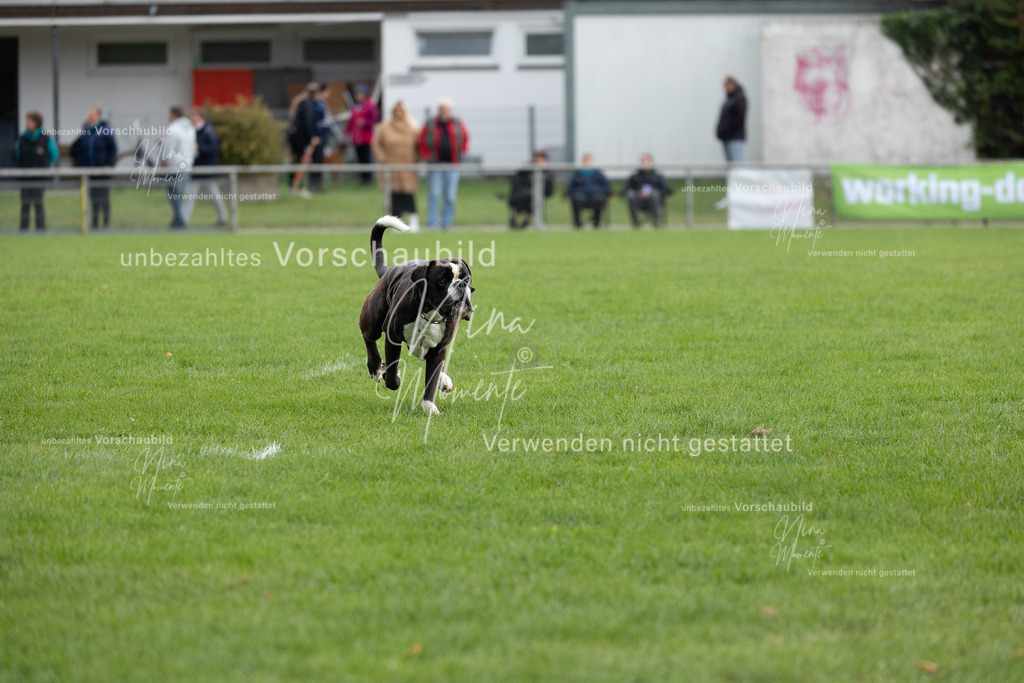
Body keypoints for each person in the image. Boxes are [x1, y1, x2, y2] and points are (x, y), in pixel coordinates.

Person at [418, 98, 469, 231]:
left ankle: (447, 223)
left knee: (450, 196)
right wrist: (427, 155)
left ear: (450, 111)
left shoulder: (457, 123)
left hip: (452, 164)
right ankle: (433, 224)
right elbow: (422, 140)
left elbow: (464, 137)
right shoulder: (431, 124)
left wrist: (462, 151)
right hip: (435, 165)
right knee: (434, 194)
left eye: (446, 109)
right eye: (441, 109)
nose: (443, 112)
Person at [372, 101, 421, 228]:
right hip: (391, 166)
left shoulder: (412, 127)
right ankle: (395, 223)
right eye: (396, 111)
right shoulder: (385, 127)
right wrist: (382, 158)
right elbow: (376, 144)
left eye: (401, 111)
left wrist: (416, 158)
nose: (398, 113)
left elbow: (419, 145)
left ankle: (413, 219)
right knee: (394, 195)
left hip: (407, 166)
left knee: (408, 193)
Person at [70, 107, 117, 230]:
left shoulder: (106, 129)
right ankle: (95, 224)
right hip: (89, 171)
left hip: (102, 171)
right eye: (88, 114)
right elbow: (76, 147)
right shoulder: (86, 130)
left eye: (92, 114)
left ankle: (105, 224)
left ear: (98, 115)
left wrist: (109, 164)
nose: (89, 116)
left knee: (104, 198)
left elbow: (113, 148)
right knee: (93, 200)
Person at [12, 110, 58, 231]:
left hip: (40, 178)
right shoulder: (22, 139)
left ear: (36, 122)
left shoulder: (46, 138)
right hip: (25, 178)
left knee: (38, 203)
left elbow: (54, 155)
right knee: (25, 204)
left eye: (29, 121)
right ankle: (23, 229)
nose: (27, 123)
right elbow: (17, 155)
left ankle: (41, 228)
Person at [184, 107, 227, 227]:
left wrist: (199, 148)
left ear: (200, 118)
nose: (192, 118)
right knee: (189, 196)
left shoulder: (208, 130)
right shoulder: (192, 131)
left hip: (208, 169)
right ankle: (184, 220)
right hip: (196, 169)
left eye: (195, 116)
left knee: (215, 195)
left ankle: (223, 218)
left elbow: (214, 148)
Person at [162, 105, 196, 230]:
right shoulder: (190, 128)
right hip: (187, 166)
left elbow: (168, 148)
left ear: (174, 115)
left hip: (174, 167)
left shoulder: (173, 128)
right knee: (179, 196)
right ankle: (177, 221)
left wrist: (165, 161)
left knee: (174, 196)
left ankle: (181, 221)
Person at [287, 82, 321, 194]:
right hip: (298, 137)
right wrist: (312, 137)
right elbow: (307, 122)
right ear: (316, 93)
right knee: (298, 161)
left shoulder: (303, 101)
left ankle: (294, 185)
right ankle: (295, 186)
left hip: (295, 136)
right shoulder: (308, 104)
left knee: (297, 160)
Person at [507, 150, 554, 230]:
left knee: (535, 204)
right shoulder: (525, 171)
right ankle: (513, 222)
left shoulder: (547, 173)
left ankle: (526, 223)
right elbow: (517, 183)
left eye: (542, 159)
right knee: (519, 205)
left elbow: (549, 189)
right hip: (521, 195)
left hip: (535, 197)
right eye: (538, 158)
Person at [623, 153, 672, 228]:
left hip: (653, 201)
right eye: (643, 161)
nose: (645, 163)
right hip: (638, 200)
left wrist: (651, 192)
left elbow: (666, 190)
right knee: (631, 195)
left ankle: (655, 221)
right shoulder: (634, 177)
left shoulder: (658, 177)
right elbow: (627, 189)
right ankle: (635, 222)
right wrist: (639, 193)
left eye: (647, 161)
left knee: (655, 194)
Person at [345, 83, 380, 187]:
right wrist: (346, 132)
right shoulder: (354, 107)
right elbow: (351, 122)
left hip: (366, 138)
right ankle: (363, 179)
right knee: (359, 159)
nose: (358, 96)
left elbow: (375, 120)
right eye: (357, 94)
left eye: (360, 94)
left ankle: (368, 179)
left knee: (366, 159)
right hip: (356, 138)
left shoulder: (370, 106)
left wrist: (364, 122)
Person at [566, 153, 610, 229]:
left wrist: (601, 192)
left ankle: (596, 222)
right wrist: (573, 193)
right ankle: (578, 224)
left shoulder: (598, 173)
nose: (587, 163)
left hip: (595, 196)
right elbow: (571, 187)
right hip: (581, 196)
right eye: (585, 161)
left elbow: (606, 186)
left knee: (598, 199)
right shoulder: (577, 174)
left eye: (588, 161)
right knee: (576, 199)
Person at [716, 75, 748, 163]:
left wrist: (727, 129)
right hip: (727, 137)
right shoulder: (729, 99)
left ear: (732, 85)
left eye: (726, 86)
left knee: (737, 164)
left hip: (735, 138)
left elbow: (739, 118)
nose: (725, 88)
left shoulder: (739, 99)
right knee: (730, 166)